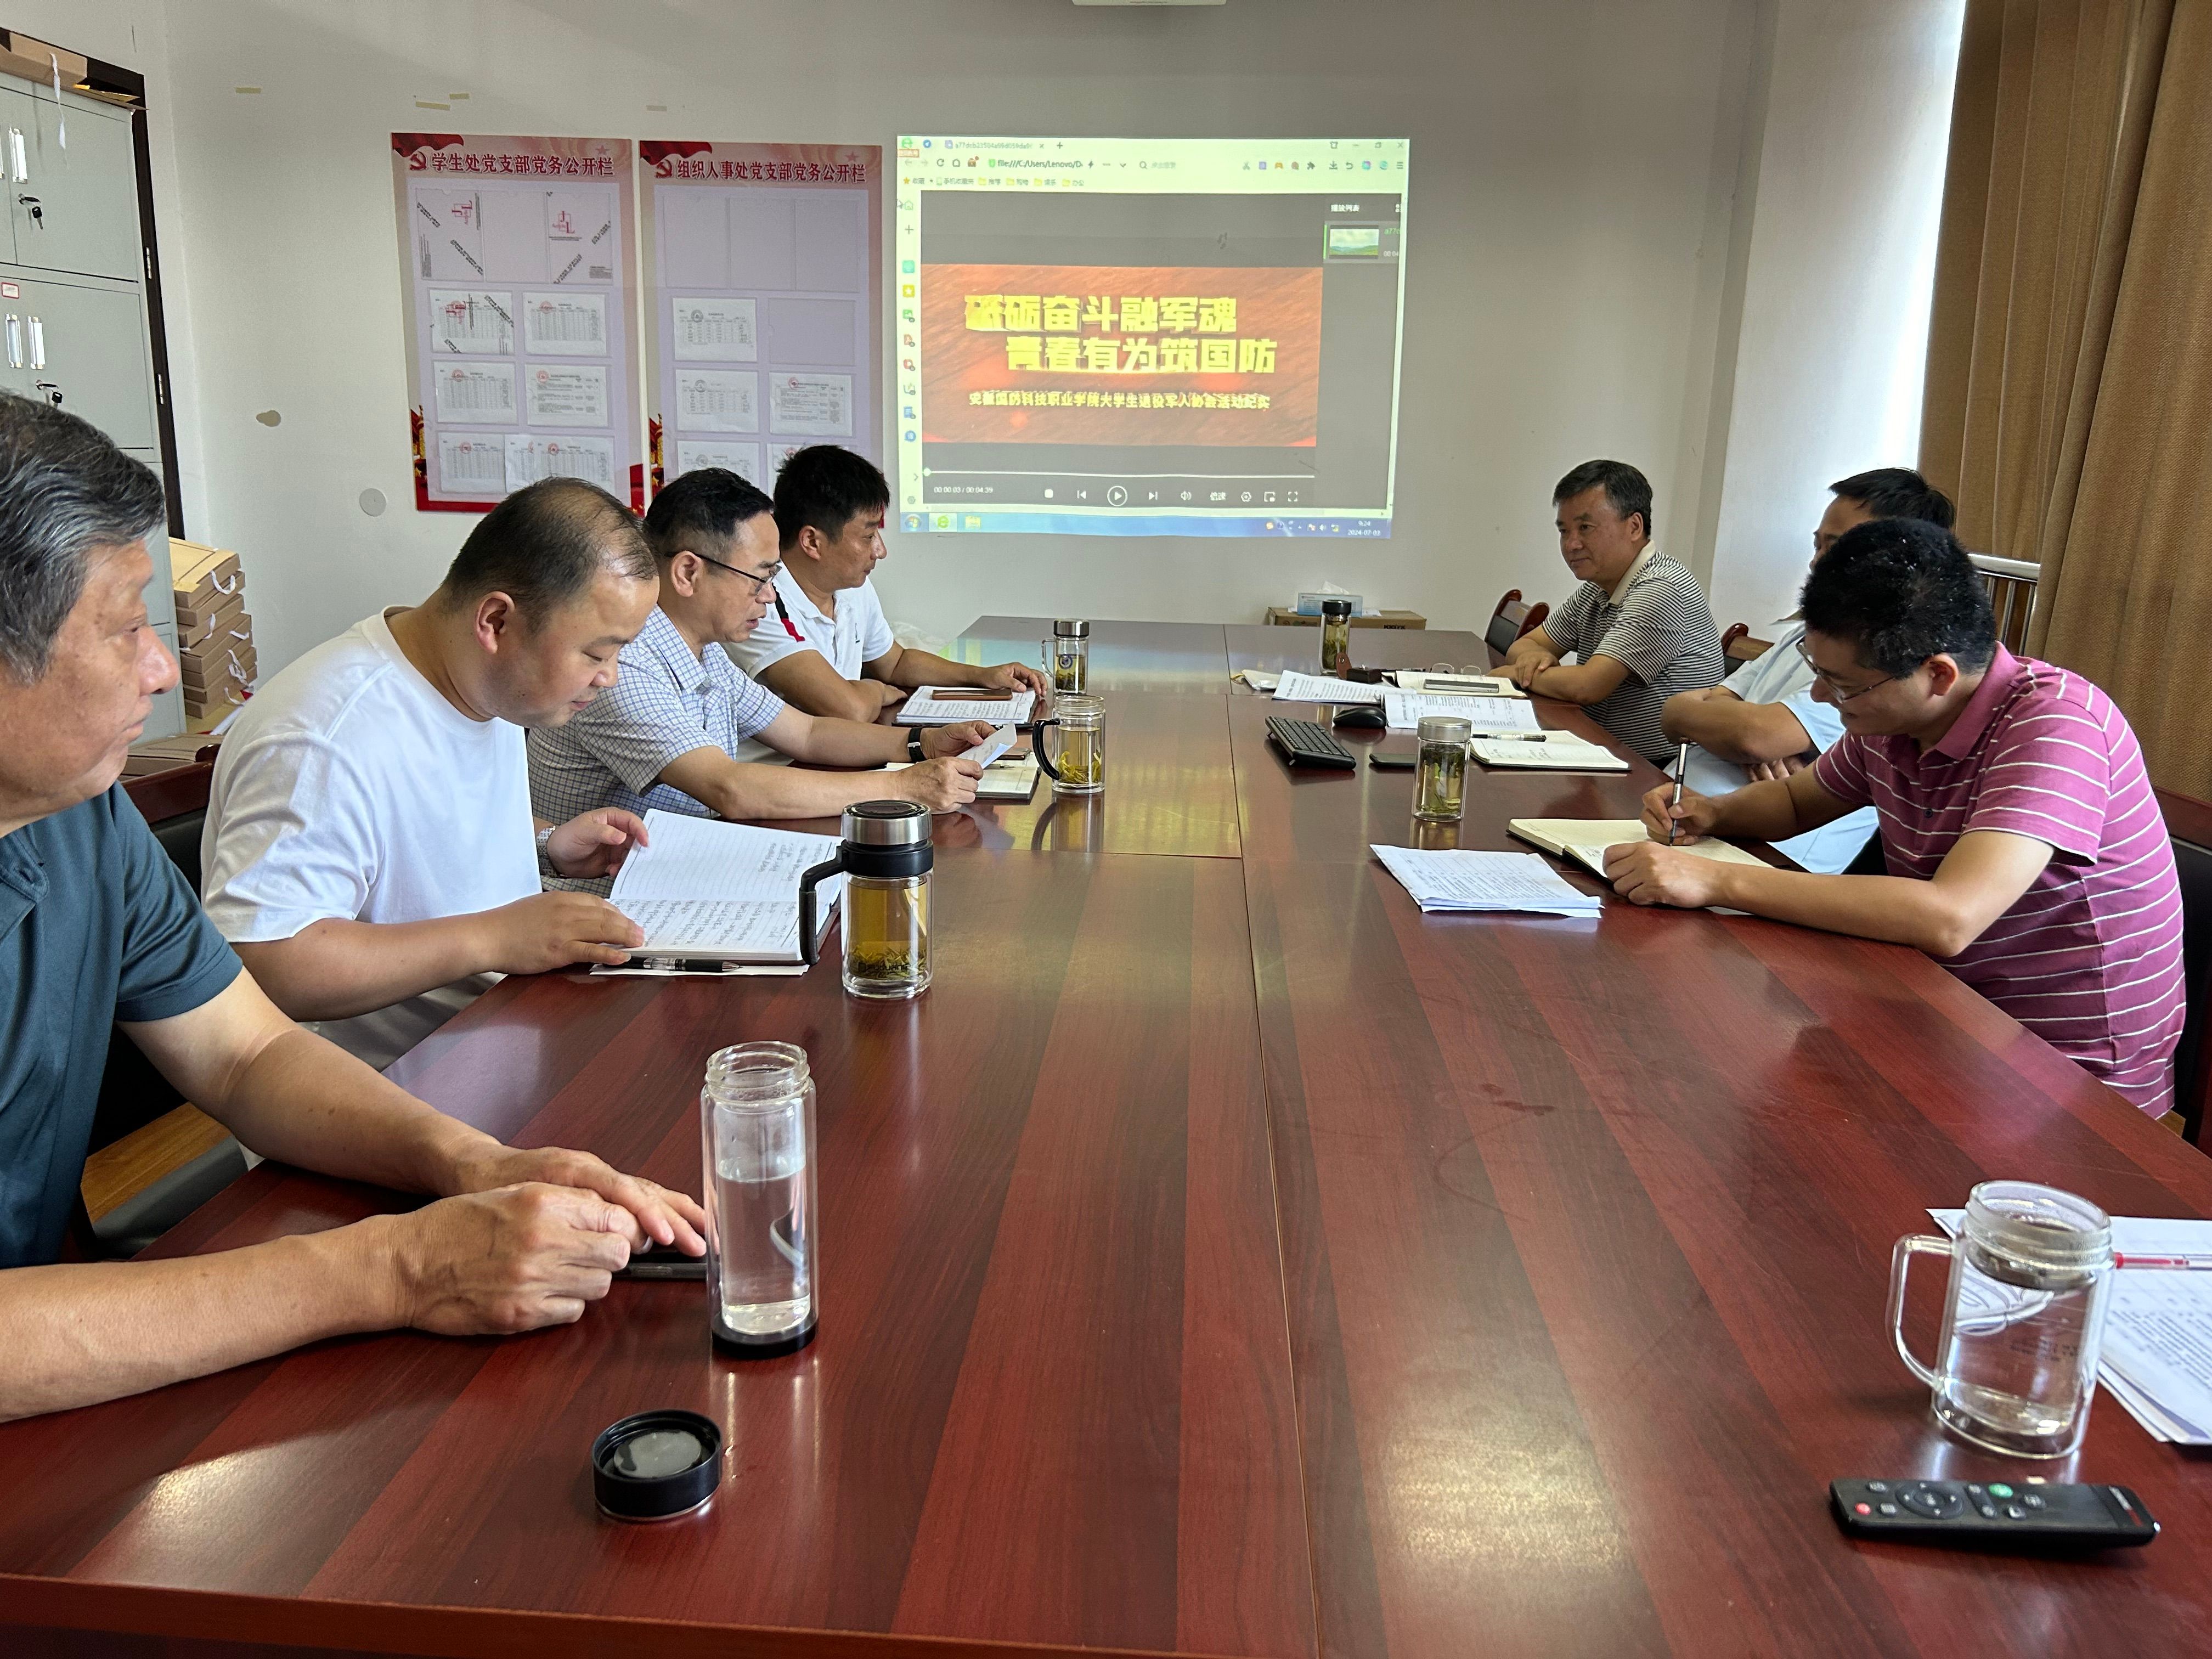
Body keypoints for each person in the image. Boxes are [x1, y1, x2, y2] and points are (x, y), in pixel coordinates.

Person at [0, 396, 703, 1423]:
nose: (161, 670)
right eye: (122, 629)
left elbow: (245, 1051)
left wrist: (474, 1162)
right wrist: (397, 1267)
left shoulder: (82, 817)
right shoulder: (320, 728)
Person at [1608, 518, 2187, 1116]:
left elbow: (1949, 916)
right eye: (1818, 672)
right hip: (1947, 1008)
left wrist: (1716, 880)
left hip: (2070, 1072)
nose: (1821, 697)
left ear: (1938, 675)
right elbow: (1797, 802)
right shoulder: (1893, 720)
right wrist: (1708, 813)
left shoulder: (2055, 727)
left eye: (1842, 684)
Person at [202, 478, 663, 1070]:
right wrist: (495, 938)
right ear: (496, 621)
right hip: (385, 1088)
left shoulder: (485, 683)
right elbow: (265, 959)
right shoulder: (323, 737)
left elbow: (413, 834)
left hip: (504, 1033)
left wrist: (547, 843)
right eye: (597, 654)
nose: (610, 677)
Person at [527, 467, 991, 831]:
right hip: (603, 895)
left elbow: (807, 734)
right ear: (688, 573)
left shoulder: (705, 650)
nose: (770, 596)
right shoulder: (624, 662)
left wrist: (921, 744)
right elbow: (729, 788)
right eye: (760, 578)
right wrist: (903, 787)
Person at [1659, 469, 1955, 872]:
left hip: (1767, 859)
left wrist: (1738, 733)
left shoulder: (1892, 673)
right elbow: (1679, 713)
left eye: (1836, 547)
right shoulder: (1806, 635)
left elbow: (1755, 736)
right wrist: (1728, 745)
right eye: (1818, 545)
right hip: (1698, 820)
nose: (1817, 561)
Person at [724, 445, 1047, 720]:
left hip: (840, 753)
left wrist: (983, 676)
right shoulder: (761, 600)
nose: (880, 550)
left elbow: (895, 663)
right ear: (812, 542)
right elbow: (846, 709)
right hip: (785, 766)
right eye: (868, 536)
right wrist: (876, 691)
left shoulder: (853, 588)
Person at [1503, 459, 1724, 761]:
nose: (1571, 544)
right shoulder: (1597, 588)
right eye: (1564, 531)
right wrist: (1531, 658)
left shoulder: (1661, 588)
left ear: (1634, 526)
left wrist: (1515, 676)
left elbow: (1589, 686)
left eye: (1585, 528)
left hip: (1659, 769)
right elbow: (1525, 645)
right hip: (1603, 749)